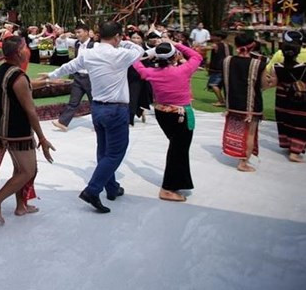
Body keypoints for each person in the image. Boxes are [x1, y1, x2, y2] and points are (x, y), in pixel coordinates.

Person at [43, 21, 144, 214]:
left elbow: (69, 66)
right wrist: (124, 42)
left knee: (104, 150)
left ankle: (112, 188)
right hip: (116, 110)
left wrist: (51, 75)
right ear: (117, 37)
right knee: (115, 153)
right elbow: (139, 49)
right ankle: (93, 190)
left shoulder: (89, 53)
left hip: (97, 108)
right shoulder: (121, 53)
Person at [0, 36, 55, 225]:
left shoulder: (6, 69)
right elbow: (31, 111)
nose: (28, 49)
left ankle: (21, 206)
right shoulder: (18, 77)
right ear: (19, 52)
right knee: (28, 171)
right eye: (25, 46)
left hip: (5, 128)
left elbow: (24, 85)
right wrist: (42, 138)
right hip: (16, 131)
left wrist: (48, 81)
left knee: (22, 168)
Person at [132, 40, 202, 201]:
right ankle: (168, 188)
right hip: (180, 114)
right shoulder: (183, 70)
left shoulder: (150, 73)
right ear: (175, 56)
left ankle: (177, 182)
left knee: (177, 149)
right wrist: (176, 43)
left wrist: (140, 54)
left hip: (162, 114)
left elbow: (135, 63)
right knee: (178, 151)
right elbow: (196, 56)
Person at [222, 33, 277, 172]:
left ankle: (237, 152)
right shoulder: (259, 63)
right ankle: (243, 162)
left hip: (232, 102)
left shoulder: (227, 60)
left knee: (237, 130)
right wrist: (273, 82)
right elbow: (264, 85)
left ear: (236, 45)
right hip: (251, 104)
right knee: (250, 133)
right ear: (252, 45)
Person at [272, 35, 306, 163]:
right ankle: (295, 152)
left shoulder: (277, 67)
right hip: (303, 101)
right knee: (302, 124)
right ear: (298, 52)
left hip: (283, 100)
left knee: (286, 122)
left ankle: (289, 145)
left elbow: (272, 83)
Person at [51, 23, 94, 132]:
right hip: (78, 77)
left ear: (87, 32)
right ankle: (63, 122)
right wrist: (63, 35)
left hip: (91, 77)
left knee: (94, 102)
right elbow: (60, 42)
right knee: (73, 101)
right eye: (76, 32)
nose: (77, 34)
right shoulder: (76, 44)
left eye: (79, 32)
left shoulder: (94, 45)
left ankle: (99, 123)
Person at [206, 31, 231, 107]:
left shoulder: (216, 45)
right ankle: (225, 101)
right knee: (224, 85)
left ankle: (221, 101)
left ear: (219, 37)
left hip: (218, 68)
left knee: (214, 84)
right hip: (227, 67)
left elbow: (205, 48)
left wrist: (196, 47)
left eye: (214, 36)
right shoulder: (228, 45)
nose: (212, 37)